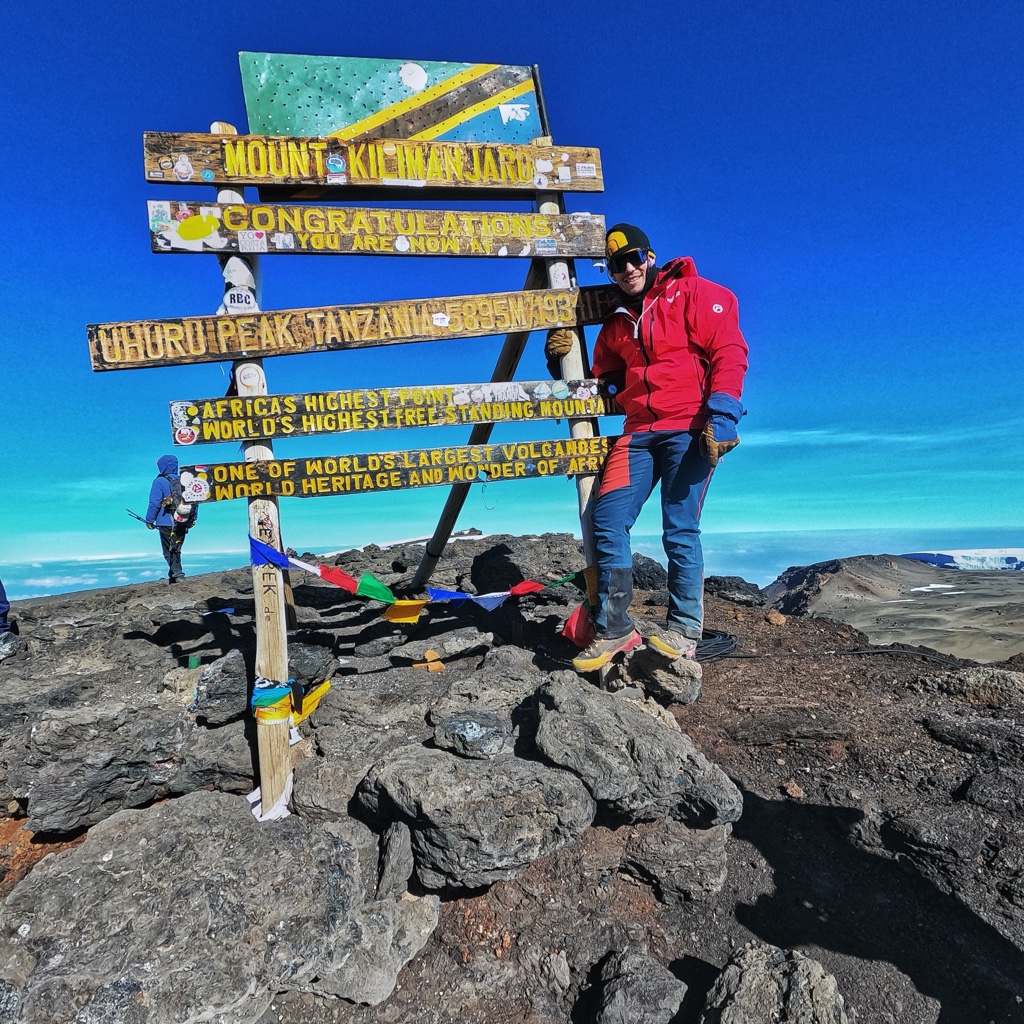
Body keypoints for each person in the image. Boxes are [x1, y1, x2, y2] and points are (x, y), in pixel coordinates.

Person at [546, 223, 749, 671]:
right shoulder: (617, 320)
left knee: (679, 528)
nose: (627, 269)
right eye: (616, 265)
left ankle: (684, 630)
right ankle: (615, 629)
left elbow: (729, 352)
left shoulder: (696, 293)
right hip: (638, 431)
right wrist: (556, 357)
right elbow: (604, 374)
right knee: (607, 518)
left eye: (633, 259)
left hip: (690, 428)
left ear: (650, 257)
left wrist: (723, 415)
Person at [145, 454, 197, 584]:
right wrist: (192, 518)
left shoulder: (159, 481)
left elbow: (154, 503)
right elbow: (194, 500)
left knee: (168, 550)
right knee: (176, 547)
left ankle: (178, 574)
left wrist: (149, 520)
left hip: (165, 521)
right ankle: (173, 576)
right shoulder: (185, 480)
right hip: (183, 520)